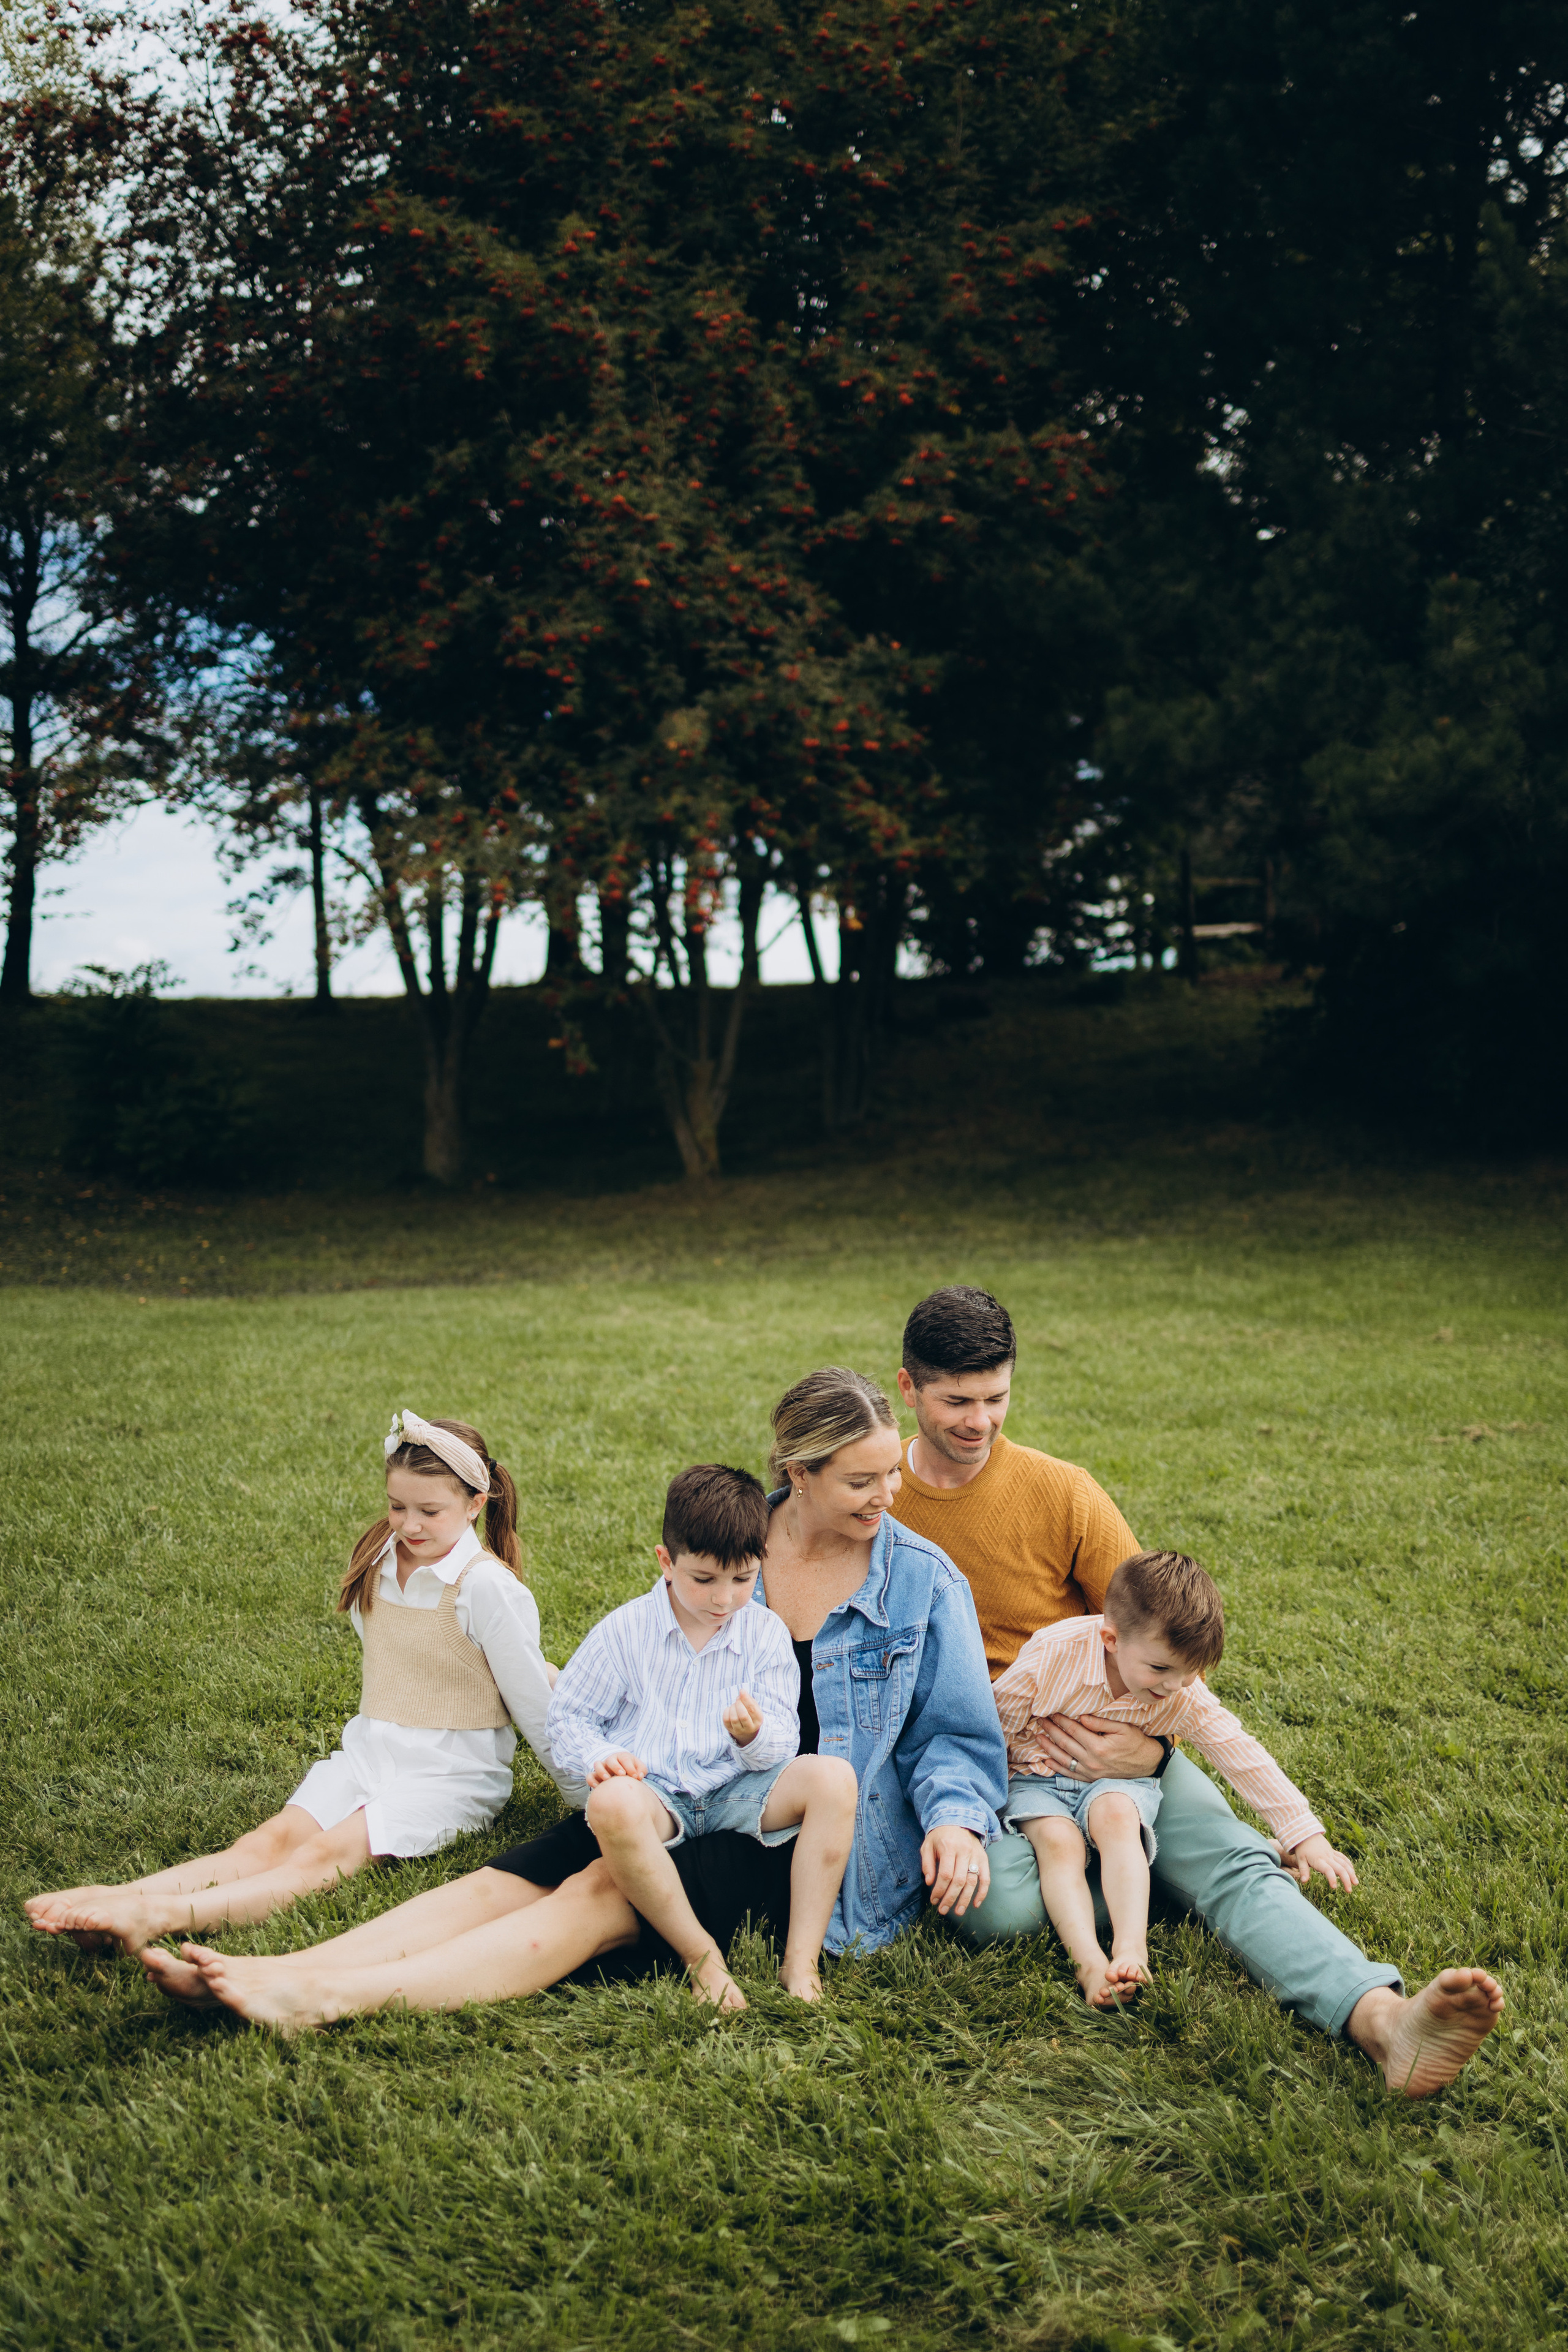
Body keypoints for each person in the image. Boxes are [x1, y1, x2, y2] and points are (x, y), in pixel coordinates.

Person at [148, 1368, 1008, 2032]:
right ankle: (286, 1964)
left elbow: (956, 1735)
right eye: (863, 1481)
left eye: (887, 1476)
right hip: (664, 1783)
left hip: (780, 1827)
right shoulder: (729, 1541)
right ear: (801, 1473)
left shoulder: (922, 1581)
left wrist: (956, 1819)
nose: (888, 1496)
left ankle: (327, 1997)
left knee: (593, 1897)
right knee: (504, 1882)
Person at [889, 1284, 1505, 2097]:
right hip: (994, 1759)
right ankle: (1142, 1875)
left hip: (1125, 1738)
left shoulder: (1063, 1490)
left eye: (996, 1398)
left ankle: (1384, 2023)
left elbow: (1164, 1643)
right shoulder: (878, 1501)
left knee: (1236, 1865)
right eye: (956, 1401)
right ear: (908, 1388)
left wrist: (1152, 1746)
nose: (979, 1421)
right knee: (992, 1910)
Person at [28, 1411, 581, 1958]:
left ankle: (153, 1917)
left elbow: (532, 1703)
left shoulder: (487, 1588)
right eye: (397, 1506)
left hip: (450, 1775)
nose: (409, 1525)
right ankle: (118, 1897)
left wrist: (583, 1800)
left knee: (320, 1858)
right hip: (370, 1754)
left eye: (429, 1511)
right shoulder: (378, 1560)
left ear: (475, 1504)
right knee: (266, 1843)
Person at [548, 1463, 858, 2008]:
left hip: (734, 1788)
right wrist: (601, 1756)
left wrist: (753, 1735)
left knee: (833, 1777)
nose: (724, 1598)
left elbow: (784, 1738)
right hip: (657, 1792)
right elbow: (568, 1717)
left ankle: (801, 1960)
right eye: (705, 1580)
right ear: (666, 1562)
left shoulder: (763, 1633)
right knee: (613, 1804)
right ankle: (701, 1957)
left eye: (743, 1580)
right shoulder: (626, 1631)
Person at [999, 1548, 1357, 2008]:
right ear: (1110, 1639)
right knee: (1059, 1844)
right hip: (1036, 1777)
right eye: (1162, 1669)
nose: (1174, 1686)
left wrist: (1306, 1834)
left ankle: (1131, 1947)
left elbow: (1238, 1751)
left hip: (1118, 1783)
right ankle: (1089, 1962)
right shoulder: (1052, 1656)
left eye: (1190, 1673)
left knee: (1116, 1817)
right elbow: (993, 1726)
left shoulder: (1180, 1689)